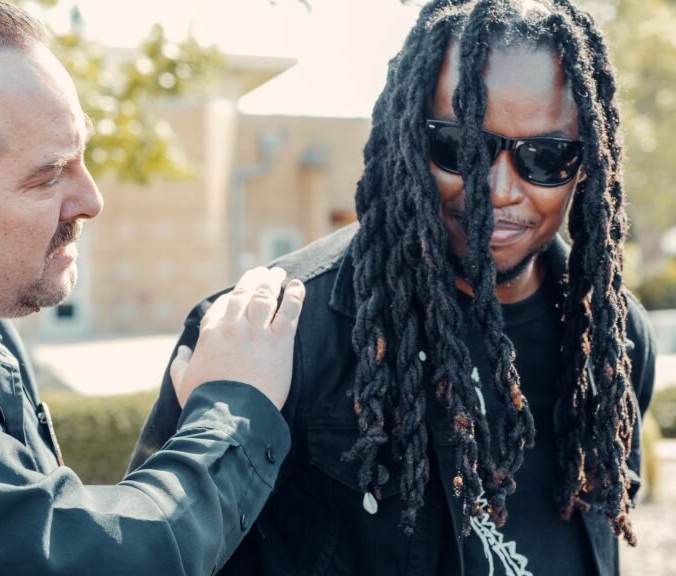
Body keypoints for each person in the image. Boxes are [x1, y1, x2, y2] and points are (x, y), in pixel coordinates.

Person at [130, 0, 658, 574]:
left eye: (547, 157)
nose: (498, 192)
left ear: (590, 164)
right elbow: (168, 553)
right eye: (459, 147)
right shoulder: (271, 333)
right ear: (406, 136)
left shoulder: (615, 339)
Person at [0, 1, 305, 575]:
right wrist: (235, 404)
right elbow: (102, 557)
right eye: (47, 176)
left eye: (82, 156)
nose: (92, 201)